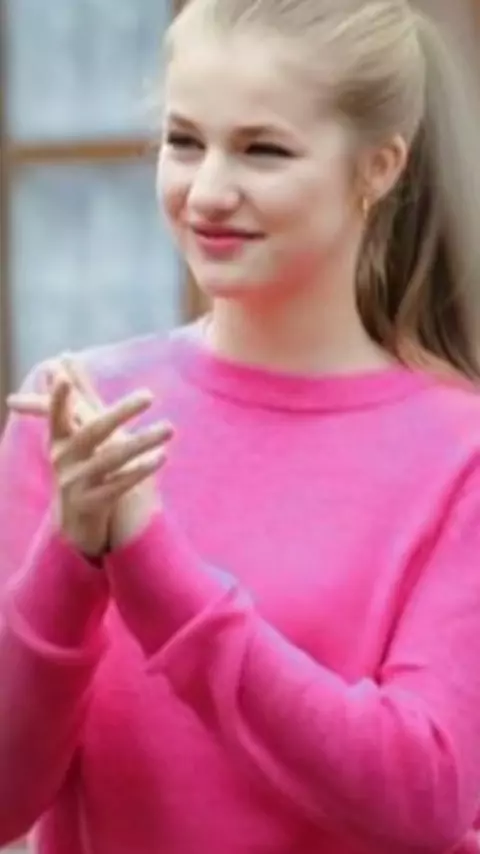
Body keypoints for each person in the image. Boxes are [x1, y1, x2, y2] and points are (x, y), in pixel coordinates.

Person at [2, 0, 480, 851]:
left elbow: (423, 798)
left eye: (263, 150)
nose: (209, 192)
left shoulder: (459, 452)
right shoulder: (79, 416)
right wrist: (70, 558)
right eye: (184, 141)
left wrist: (149, 561)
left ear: (378, 168)